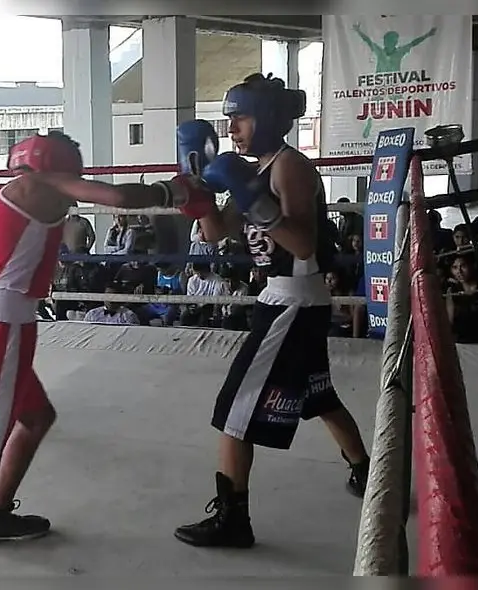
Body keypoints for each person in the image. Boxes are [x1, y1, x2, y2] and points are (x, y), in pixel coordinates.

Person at [0, 130, 216, 576]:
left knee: (37, 418)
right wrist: (177, 190)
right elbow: (117, 195)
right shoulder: (44, 186)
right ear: (56, 169)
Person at [171, 73, 371, 549]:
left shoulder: (289, 167)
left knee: (234, 412)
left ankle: (232, 519)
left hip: (294, 299)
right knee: (317, 395)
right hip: (282, 299)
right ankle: (366, 471)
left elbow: (303, 242)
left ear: (268, 119)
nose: (233, 127)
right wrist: (198, 194)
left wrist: (251, 196)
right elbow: (218, 232)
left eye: (240, 117)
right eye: (229, 119)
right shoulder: (255, 171)